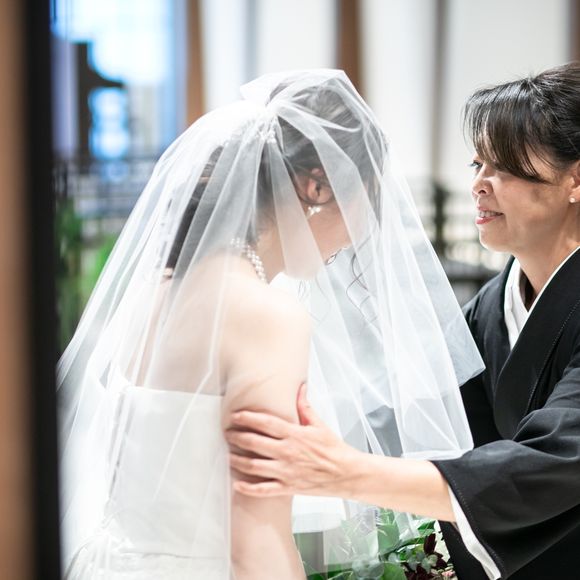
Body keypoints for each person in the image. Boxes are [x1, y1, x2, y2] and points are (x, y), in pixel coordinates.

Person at [57, 69, 483, 579]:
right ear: (315, 187)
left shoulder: (157, 291)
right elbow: (256, 540)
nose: (363, 229)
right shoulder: (266, 315)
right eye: (364, 198)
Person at [227, 61, 580, 580]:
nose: (479, 185)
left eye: (503, 167)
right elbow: (429, 416)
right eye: (477, 164)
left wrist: (345, 472)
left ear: (575, 180)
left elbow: (556, 462)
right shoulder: (494, 303)